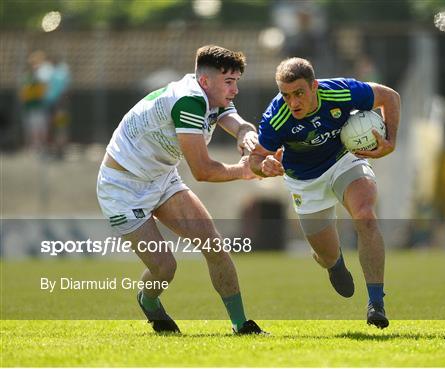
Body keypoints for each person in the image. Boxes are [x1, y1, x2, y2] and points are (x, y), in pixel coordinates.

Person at [97, 45, 265, 335]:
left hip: (160, 177)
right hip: (122, 188)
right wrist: (244, 170)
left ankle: (241, 325)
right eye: (229, 82)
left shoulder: (212, 92)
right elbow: (202, 171)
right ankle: (148, 301)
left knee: (214, 245)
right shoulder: (189, 101)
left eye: (236, 81)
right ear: (205, 81)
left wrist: (245, 131)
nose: (235, 90)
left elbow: (231, 118)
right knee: (165, 268)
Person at [249, 57, 400, 329]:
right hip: (305, 182)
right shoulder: (276, 117)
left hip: (344, 161)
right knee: (326, 255)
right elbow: (256, 159)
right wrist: (264, 166)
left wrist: (390, 141)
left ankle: (376, 302)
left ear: (314, 86)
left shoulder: (341, 91)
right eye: (286, 95)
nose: (293, 102)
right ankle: (334, 263)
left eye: (299, 93)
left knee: (365, 216)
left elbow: (389, 97)